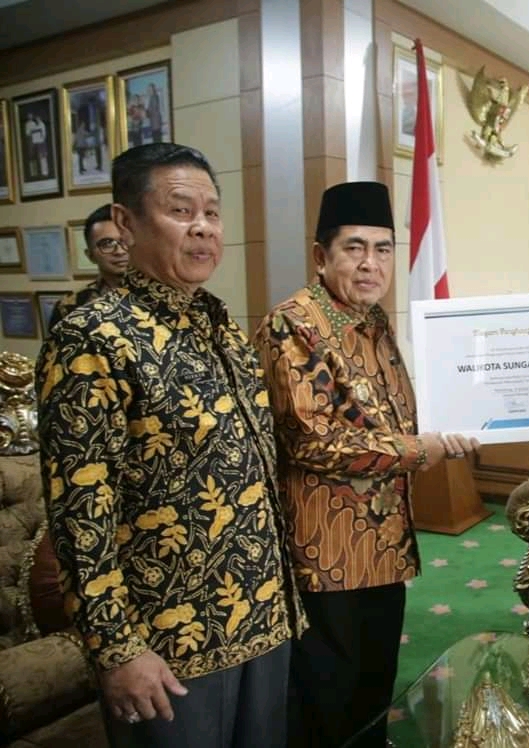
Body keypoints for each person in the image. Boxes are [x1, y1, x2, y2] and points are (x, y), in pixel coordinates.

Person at [37, 142, 305, 748]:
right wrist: (117, 649)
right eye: (181, 211)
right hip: (168, 647)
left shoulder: (221, 327)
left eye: (211, 212)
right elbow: (80, 514)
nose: (203, 227)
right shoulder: (93, 338)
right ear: (126, 223)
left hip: (264, 617)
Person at [254, 181, 479, 748]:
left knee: (375, 687)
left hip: (385, 543)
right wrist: (421, 449)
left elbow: (393, 416)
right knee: (327, 698)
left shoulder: (375, 321)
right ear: (320, 255)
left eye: (382, 249)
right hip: (326, 550)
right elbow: (313, 441)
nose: (370, 264)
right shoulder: (295, 324)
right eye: (353, 248)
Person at [47, 203, 129, 333]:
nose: (119, 251)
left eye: (125, 241)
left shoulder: (160, 295)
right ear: (90, 256)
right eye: (107, 244)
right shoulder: (69, 307)